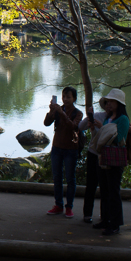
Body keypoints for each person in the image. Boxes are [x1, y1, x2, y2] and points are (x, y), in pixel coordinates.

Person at [84, 88, 129, 236]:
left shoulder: (123, 119)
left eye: (112, 102)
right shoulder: (107, 118)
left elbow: (118, 138)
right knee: (104, 190)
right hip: (102, 156)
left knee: (113, 191)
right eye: (107, 102)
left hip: (114, 158)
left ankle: (115, 224)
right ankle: (105, 219)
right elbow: (101, 138)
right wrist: (94, 128)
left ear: (119, 104)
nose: (109, 104)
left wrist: (102, 128)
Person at [44, 86, 84, 218]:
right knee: (57, 178)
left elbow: (73, 126)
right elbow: (46, 123)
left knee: (70, 178)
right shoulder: (58, 110)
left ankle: (69, 207)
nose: (65, 99)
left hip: (70, 149)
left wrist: (61, 113)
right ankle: (58, 205)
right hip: (57, 148)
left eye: (68, 97)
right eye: (64, 97)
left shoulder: (78, 113)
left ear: (74, 99)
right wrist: (51, 111)